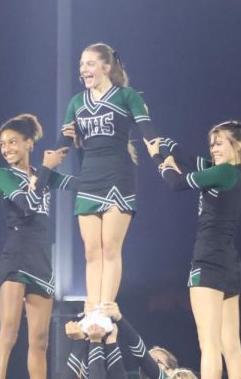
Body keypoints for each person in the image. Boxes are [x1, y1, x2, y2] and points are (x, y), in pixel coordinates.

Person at [149, 121, 241, 379]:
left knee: (209, 343)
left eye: (219, 143)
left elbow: (176, 183)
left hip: (208, 262)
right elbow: (190, 159)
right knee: (231, 346)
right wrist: (165, 144)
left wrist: (160, 161)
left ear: (237, 146)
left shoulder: (221, 172)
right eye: (211, 144)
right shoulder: (232, 174)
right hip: (230, 265)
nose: (213, 149)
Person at [57, 43, 163, 313]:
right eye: (81, 64)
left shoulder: (126, 96)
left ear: (107, 67)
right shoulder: (76, 103)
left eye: (90, 63)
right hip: (89, 178)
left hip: (118, 175)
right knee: (91, 251)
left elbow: (148, 130)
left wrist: (163, 160)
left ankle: (105, 308)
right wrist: (42, 172)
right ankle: (91, 308)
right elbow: (63, 143)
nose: (83, 69)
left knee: (109, 248)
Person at [0, 113, 72, 379]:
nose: (7, 148)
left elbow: (79, 185)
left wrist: (80, 143)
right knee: (9, 332)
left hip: (42, 262)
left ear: (29, 143)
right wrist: (46, 171)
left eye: (13, 142)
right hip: (16, 257)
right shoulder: (4, 175)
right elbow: (27, 206)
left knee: (40, 342)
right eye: (2, 144)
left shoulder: (43, 173)